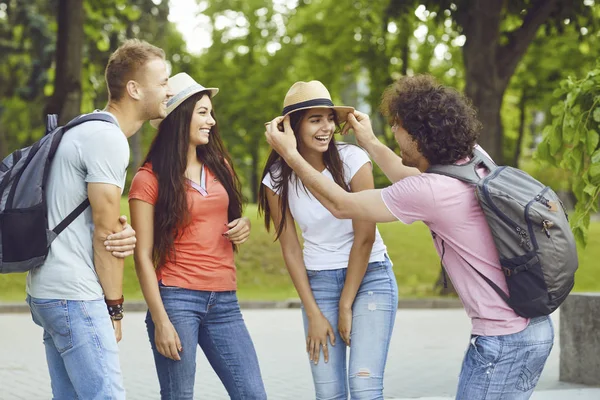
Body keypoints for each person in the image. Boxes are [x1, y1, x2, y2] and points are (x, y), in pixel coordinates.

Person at [264, 75, 554, 400]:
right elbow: (407, 173)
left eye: (398, 127)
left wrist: (290, 155)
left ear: (419, 135)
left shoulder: (429, 190)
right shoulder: (473, 159)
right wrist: (371, 142)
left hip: (502, 341)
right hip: (535, 329)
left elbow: (342, 205)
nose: (394, 134)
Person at [25, 38, 171, 399]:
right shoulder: (108, 139)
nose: (170, 89)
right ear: (134, 89)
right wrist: (115, 309)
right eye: (163, 81)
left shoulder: (81, 128)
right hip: (75, 296)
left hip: (47, 290)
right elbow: (107, 233)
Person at [129, 72, 266, 400]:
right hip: (177, 300)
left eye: (211, 112)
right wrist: (161, 320)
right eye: (203, 113)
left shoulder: (220, 167)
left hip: (225, 300)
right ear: (179, 117)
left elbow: (229, 219)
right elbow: (142, 256)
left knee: (252, 394)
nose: (212, 121)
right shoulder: (148, 179)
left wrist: (242, 227)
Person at [258, 80, 397, 400]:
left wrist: (345, 303)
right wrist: (314, 313)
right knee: (329, 394)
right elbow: (290, 248)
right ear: (293, 126)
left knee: (363, 389)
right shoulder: (277, 177)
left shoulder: (353, 159)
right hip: (318, 282)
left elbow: (365, 236)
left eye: (330, 118)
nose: (326, 127)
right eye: (315, 119)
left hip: (370, 276)